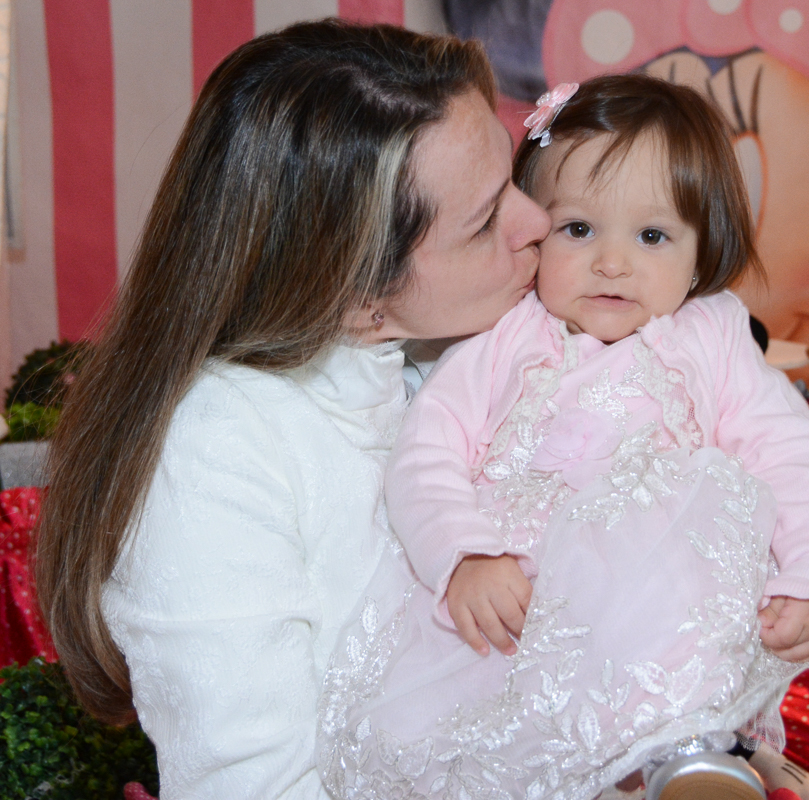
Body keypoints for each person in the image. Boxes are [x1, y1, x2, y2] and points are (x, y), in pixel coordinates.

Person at [34, 20, 550, 800]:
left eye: (514, 178)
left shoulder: (448, 353)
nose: (536, 222)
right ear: (357, 299)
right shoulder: (213, 451)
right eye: (484, 222)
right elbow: (253, 785)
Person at [318, 75, 809, 800]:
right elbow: (426, 453)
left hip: (655, 606)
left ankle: (689, 758)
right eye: (578, 230)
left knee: (701, 510)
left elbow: (792, 458)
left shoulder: (713, 336)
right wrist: (463, 554)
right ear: (530, 232)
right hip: (515, 597)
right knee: (462, 722)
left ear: (702, 253)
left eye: (651, 235)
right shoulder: (503, 332)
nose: (613, 263)